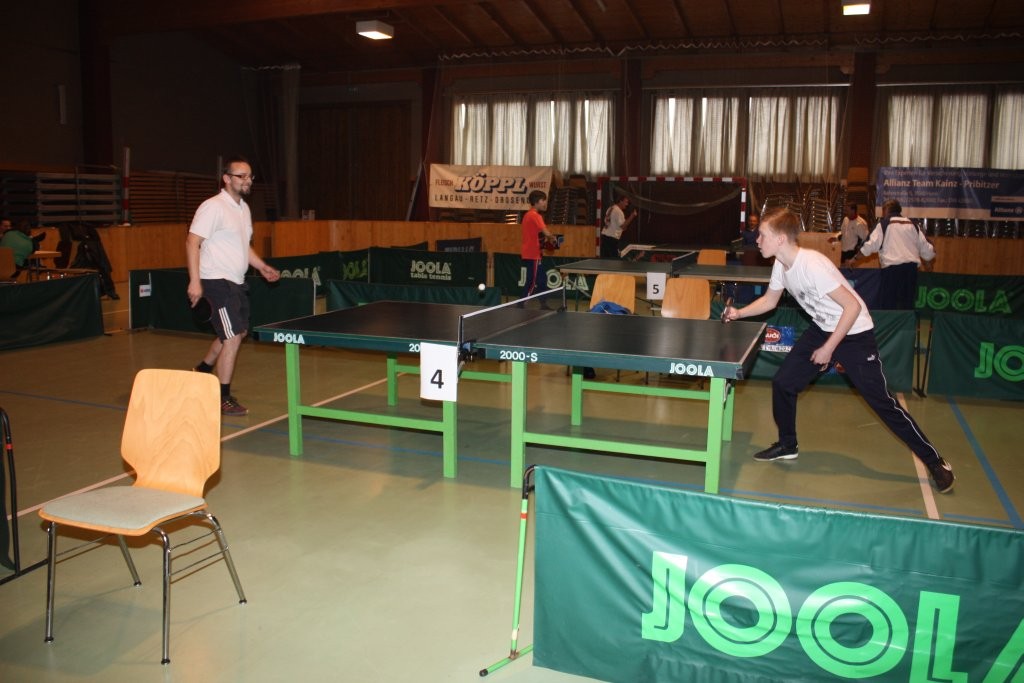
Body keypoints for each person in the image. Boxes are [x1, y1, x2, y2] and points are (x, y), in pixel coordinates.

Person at [721, 207, 954, 494]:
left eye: (762, 235)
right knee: (784, 382)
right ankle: (787, 444)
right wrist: (738, 313)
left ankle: (936, 462)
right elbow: (770, 301)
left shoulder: (813, 265)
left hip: (854, 333)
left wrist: (828, 349)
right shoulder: (781, 264)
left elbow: (852, 307)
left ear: (780, 239)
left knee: (883, 403)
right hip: (823, 327)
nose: (757, 240)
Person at [187, 157, 280, 417]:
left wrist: (261, 266)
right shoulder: (213, 207)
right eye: (241, 176)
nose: (247, 181)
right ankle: (222, 397)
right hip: (216, 281)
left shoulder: (243, 209)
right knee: (232, 337)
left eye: (250, 176)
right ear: (227, 179)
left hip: (236, 282)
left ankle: (202, 371)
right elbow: (192, 242)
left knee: (237, 332)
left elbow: (243, 246)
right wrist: (195, 281)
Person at [850, 199, 934, 310]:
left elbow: (869, 245)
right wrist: (928, 263)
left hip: (891, 271)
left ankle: (890, 321)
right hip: (911, 271)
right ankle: (906, 321)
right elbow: (927, 249)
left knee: (889, 304)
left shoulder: (883, 224)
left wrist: (855, 259)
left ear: (886, 210)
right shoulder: (913, 225)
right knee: (907, 304)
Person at [521, 190, 554, 297]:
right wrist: (554, 239)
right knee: (532, 282)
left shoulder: (527, 215)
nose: (545, 203)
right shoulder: (535, 216)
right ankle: (521, 303)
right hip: (533, 254)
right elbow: (546, 233)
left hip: (533, 253)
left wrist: (545, 242)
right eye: (543, 200)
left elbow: (537, 234)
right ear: (537, 201)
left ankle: (543, 303)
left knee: (542, 279)